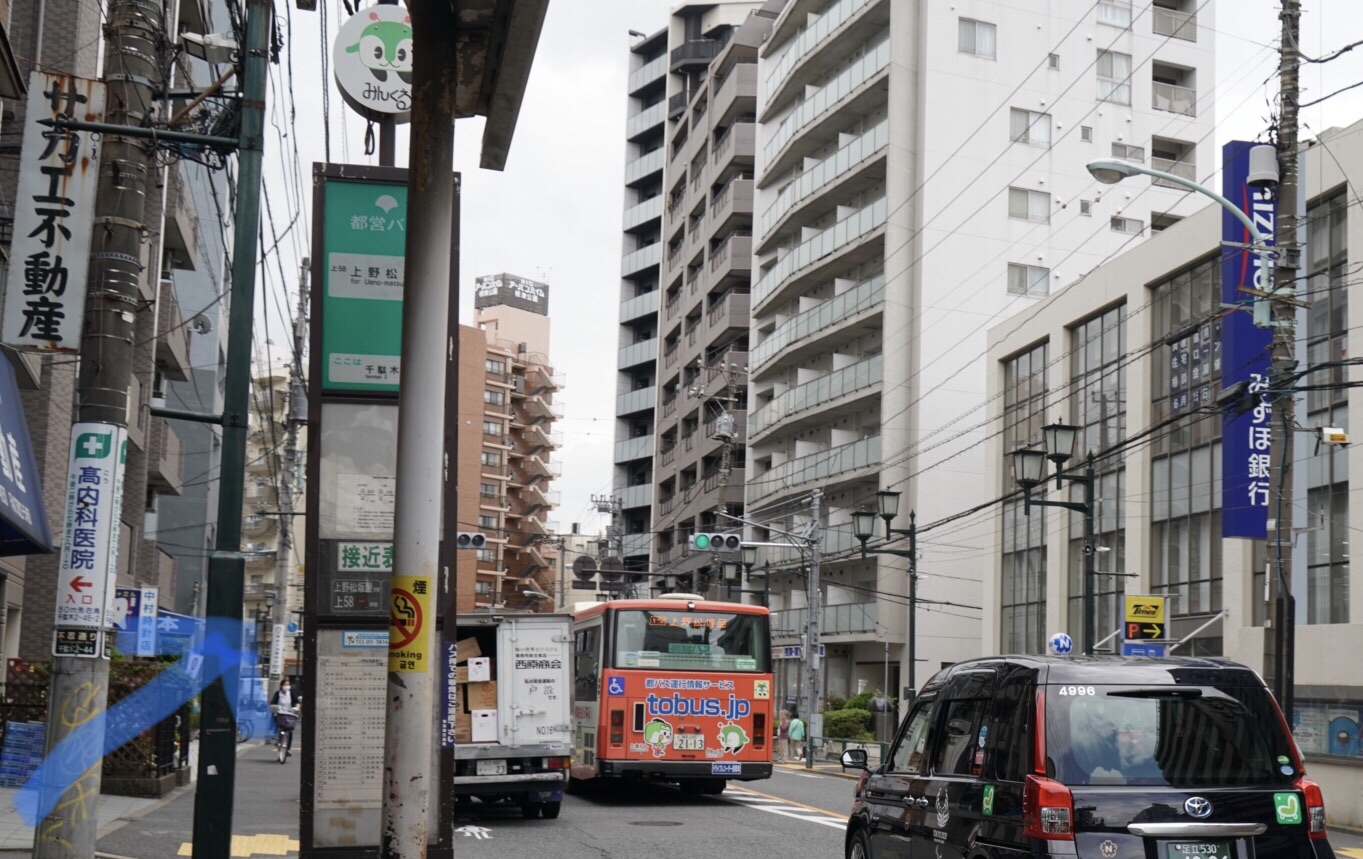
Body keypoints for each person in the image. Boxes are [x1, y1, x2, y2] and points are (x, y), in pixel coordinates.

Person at [270, 679, 301, 756]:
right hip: (280, 713)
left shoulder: (291, 693)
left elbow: (297, 702)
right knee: (276, 724)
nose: (287, 686)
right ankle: (276, 738)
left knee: (289, 730)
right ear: (281, 686)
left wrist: (297, 707)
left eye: (288, 684)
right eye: (285, 685)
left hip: (289, 714)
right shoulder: (278, 694)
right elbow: (273, 702)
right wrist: (275, 707)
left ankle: (288, 749)